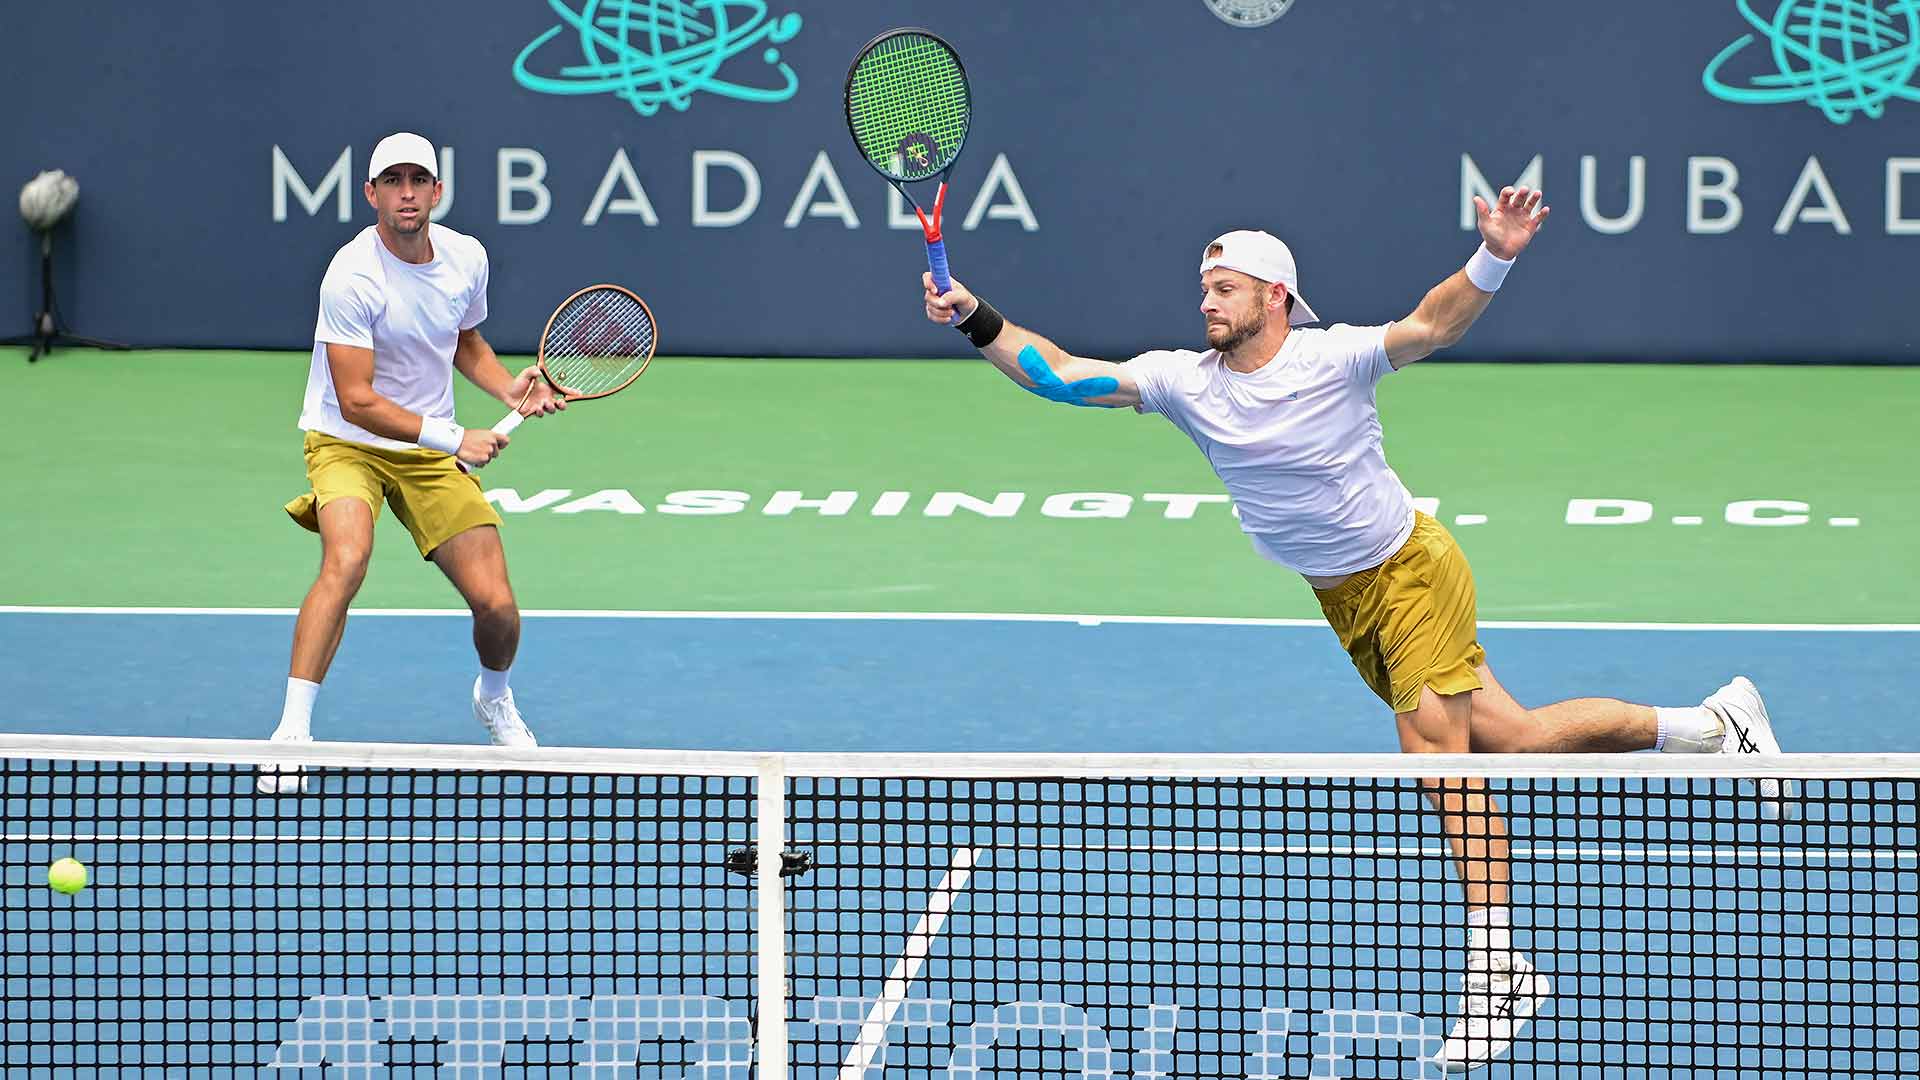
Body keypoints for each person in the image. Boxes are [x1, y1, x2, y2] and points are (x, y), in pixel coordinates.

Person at [917, 186, 1786, 1072]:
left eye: (1226, 288)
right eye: (1204, 288)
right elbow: (1058, 373)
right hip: (1346, 603)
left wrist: (1498, 252)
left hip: (1411, 572)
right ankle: (1716, 726)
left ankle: (1499, 974)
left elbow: (1431, 326)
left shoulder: (1335, 359)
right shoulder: (1184, 383)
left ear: (1275, 298)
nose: (1207, 300)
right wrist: (975, 318)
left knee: (1439, 767)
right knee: (1517, 743)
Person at [261, 131, 575, 793]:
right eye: (393, 181)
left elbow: (464, 338)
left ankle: (493, 696)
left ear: (437, 190)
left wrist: (509, 389)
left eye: (419, 180)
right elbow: (354, 400)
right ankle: (291, 733)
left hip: (426, 451)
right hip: (348, 441)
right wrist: (453, 437)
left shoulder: (465, 257)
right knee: (346, 559)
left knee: (498, 607)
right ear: (372, 193)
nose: (407, 193)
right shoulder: (351, 275)